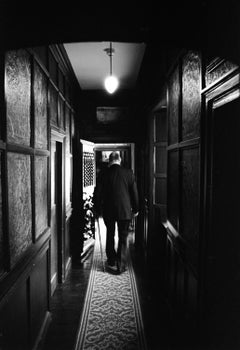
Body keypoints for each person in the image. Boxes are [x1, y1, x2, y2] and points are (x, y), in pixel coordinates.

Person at [93, 151, 139, 274]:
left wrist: (96, 209)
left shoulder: (103, 173)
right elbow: (134, 193)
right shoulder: (129, 173)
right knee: (123, 237)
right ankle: (121, 264)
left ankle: (111, 260)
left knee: (110, 234)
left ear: (109, 160)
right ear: (120, 160)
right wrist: (136, 209)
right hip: (124, 211)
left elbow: (98, 193)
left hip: (108, 211)